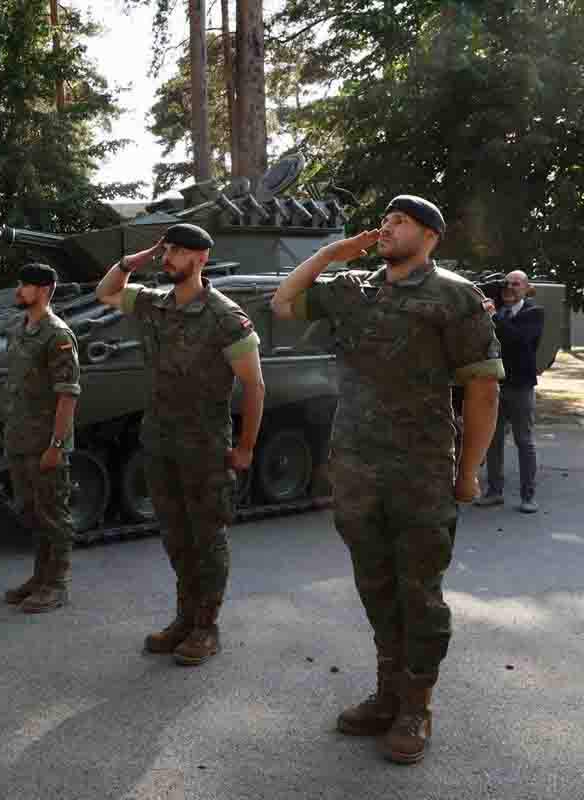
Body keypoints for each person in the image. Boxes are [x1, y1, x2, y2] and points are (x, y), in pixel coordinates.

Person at [270, 195, 503, 764]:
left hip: (420, 469)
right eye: (387, 220)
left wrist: (468, 471)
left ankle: (416, 706)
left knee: (418, 592)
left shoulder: (454, 296)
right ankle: (387, 693)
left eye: (401, 221)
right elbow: (283, 301)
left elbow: (483, 387)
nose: (388, 227)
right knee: (375, 585)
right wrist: (337, 249)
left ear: (430, 236)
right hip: (355, 466)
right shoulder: (354, 287)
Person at [96, 224, 265, 666]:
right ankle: (185, 617)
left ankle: (206, 627)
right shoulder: (154, 303)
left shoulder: (225, 316)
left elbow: (254, 385)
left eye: (177, 251)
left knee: (206, 537)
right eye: (166, 249)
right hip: (159, 441)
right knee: (174, 535)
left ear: (201, 258)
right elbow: (106, 291)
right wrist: (138, 257)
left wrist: (246, 446)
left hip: (204, 445)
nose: (168, 257)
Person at [2, 263, 81, 614]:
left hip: (46, 441)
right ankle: (40, 577)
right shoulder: (19, 329)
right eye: (20, 284)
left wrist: (57, 445)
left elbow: (67, 395)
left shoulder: (57, 335)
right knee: (32, 511)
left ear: (45, 289)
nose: (19, 290)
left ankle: (57, 584)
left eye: (26, 285)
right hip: (20, 437)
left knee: (54, 514)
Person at [476, 270, 543, 513]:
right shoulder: (498, 312)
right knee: (492, 441)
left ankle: (528, 496)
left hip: (520, 387)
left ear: (526, 288)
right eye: (507, 284)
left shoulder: (533, 313)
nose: (510, 288)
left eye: (516, 284)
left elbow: (516, 339)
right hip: (496, 384)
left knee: (523, 441)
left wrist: (494, 314)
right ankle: (494, 491)